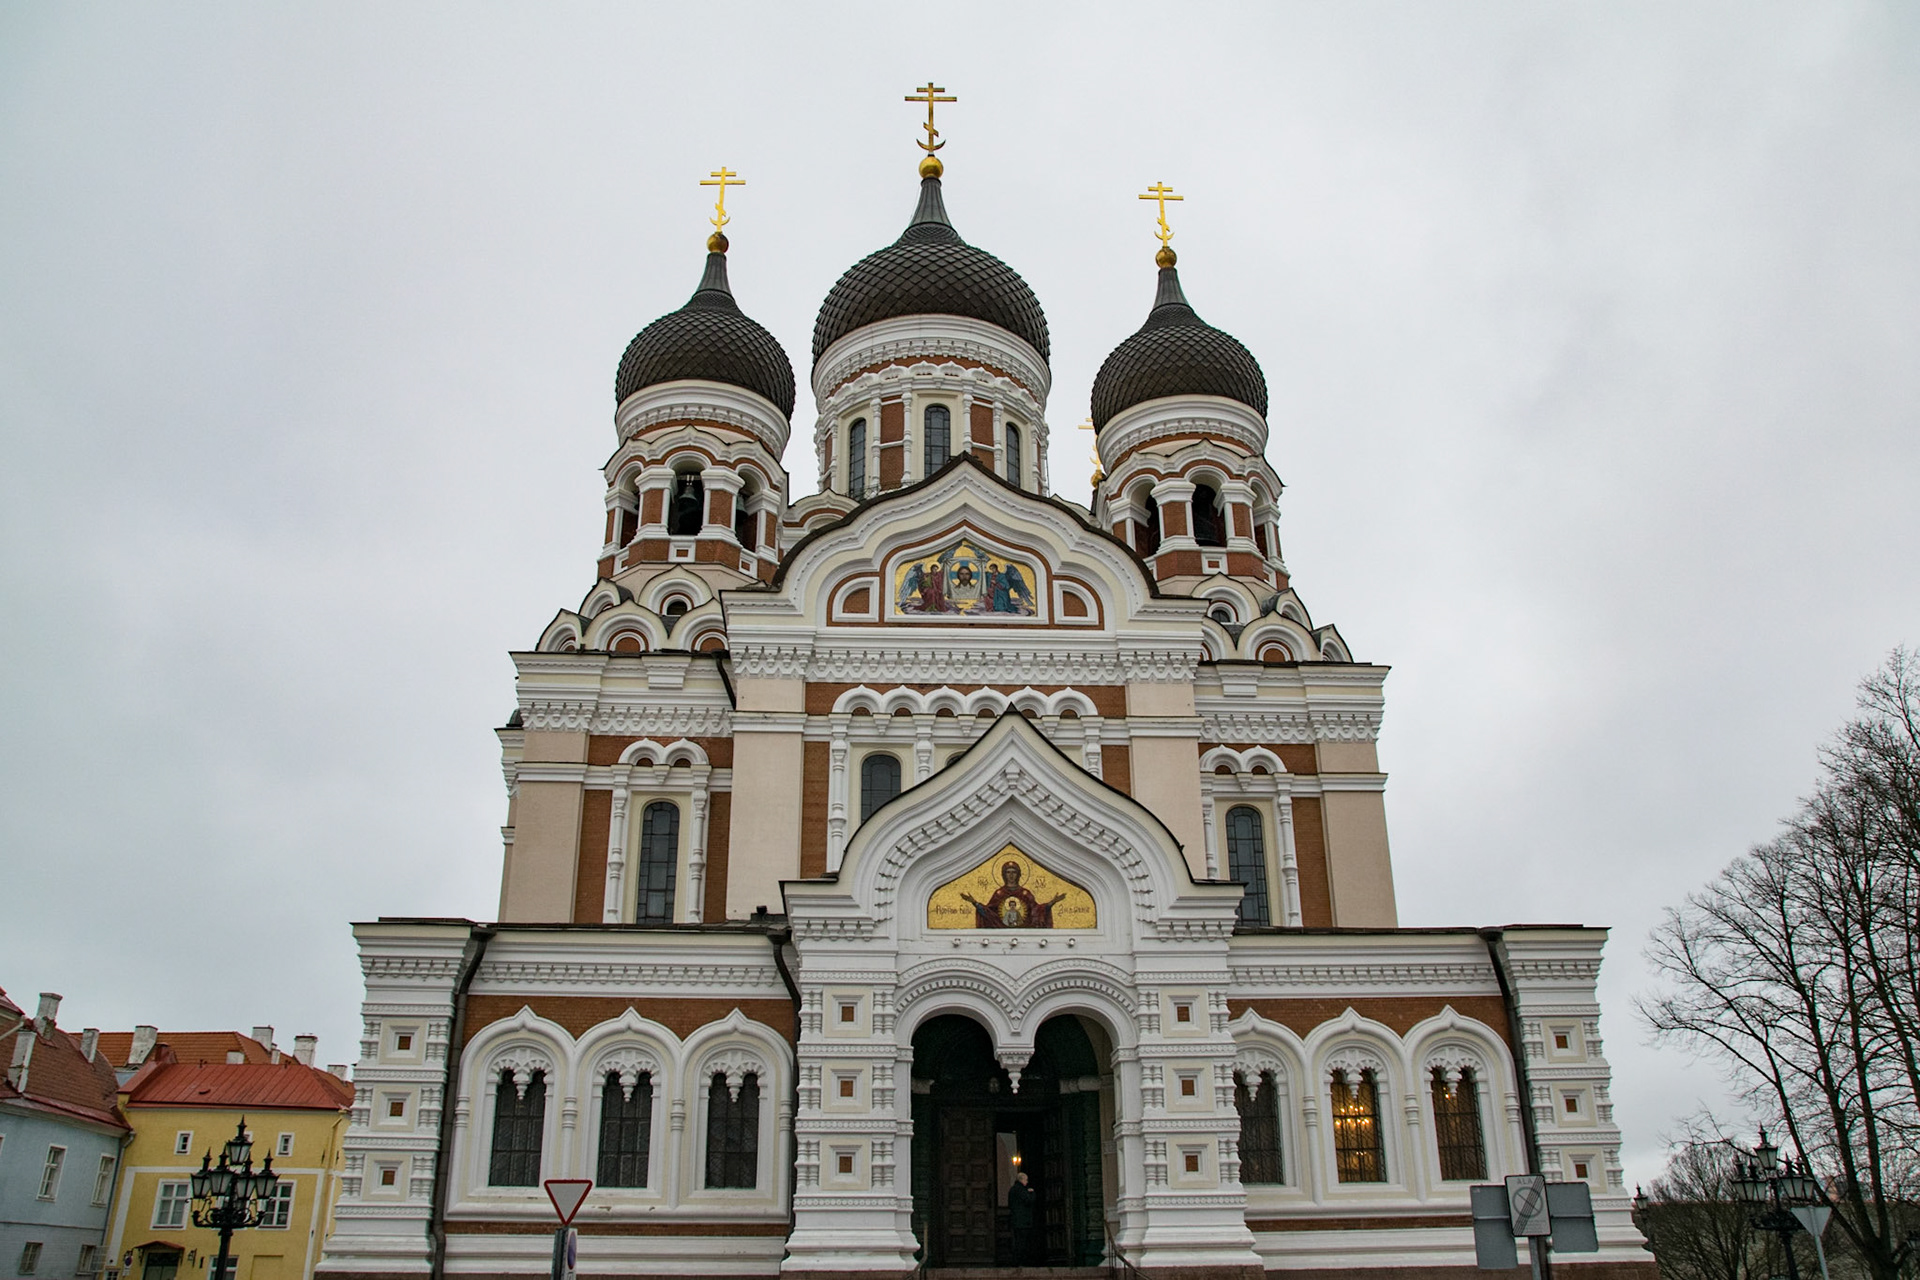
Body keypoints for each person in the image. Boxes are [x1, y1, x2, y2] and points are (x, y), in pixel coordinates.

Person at [961, 861, 1067, 928]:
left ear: (1019, 875)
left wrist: (1052, 902)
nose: (1011, 875)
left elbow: (1037, 911)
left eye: (1014, 872)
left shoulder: (1025, 894)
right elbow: (990, 914)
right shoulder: (999, 894)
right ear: (1003, 875)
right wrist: (974, 903)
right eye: (1008, 872)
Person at [1006, 1169, 1038, 1264]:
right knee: (1022, 1242)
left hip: (1015, 1220)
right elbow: (1029, 1200)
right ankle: (1020, 1262)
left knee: (1017, 1241)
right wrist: (1032, 1193)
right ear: (1022, 1180)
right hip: (1023, 1221)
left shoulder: (1012, 1190)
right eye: (1026, 1180)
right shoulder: (1022, 1190)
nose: (1027, 1182)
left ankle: (1017, 1261)